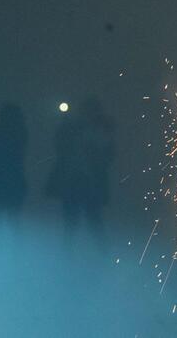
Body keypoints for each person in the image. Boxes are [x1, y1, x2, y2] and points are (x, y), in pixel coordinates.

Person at [46, 97, 114, 245]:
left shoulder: (99, 131)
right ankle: (73, 254)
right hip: (75, 181)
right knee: (74, 221)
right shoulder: (74, 128)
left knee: (91, 220)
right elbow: (61, 148)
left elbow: (106, 156)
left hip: (88, 182)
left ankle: (101, 254)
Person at [0, 103, 28, 234]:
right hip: (13, 180)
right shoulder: (21, 134)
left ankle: (3, 249)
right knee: (13, 219)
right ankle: (14, 250)